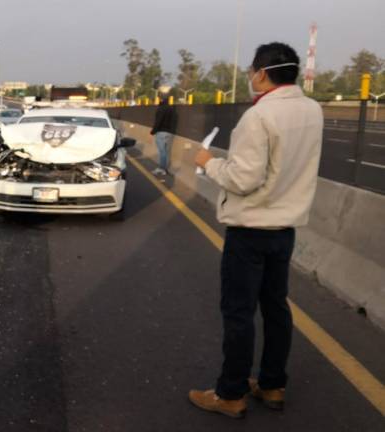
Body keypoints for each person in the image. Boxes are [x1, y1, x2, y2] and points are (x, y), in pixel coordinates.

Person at [190, 42, 323, 418]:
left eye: (252, 70)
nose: (251, 76)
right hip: (285, 229)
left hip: (250, 230)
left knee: (239, 313)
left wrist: (209, 163)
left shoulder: (258, 117)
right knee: (276, 308)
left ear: (263, 72)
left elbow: (243, 179)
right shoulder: (313, 110)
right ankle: (272, 384)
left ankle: (230, 393)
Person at [150, 94, 177, 177]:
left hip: (161, 132)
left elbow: (158, 121)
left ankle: (161, 169)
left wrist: (153, 131)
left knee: (162, 151)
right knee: (165, 151)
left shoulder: (161, 109)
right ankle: (164, 169)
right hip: (169, 133)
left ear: (161, 100)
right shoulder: (172, 109)